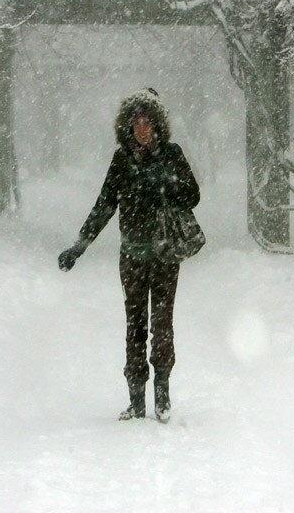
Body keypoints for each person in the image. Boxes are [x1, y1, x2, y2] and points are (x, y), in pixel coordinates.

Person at [58, 88, 200, 423]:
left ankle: (162, 398)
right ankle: (137, 401)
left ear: (156, 123)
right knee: (135, 326)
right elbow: (104, 205)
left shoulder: (172, 154)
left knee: (162, 325)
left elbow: (193, 196)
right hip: (133, 257)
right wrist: (80, 245)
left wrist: (169, 183)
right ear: (128, 125)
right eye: (136, 121)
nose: (141, 127)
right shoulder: (122, 159)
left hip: (165, 256)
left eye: (147, 120)